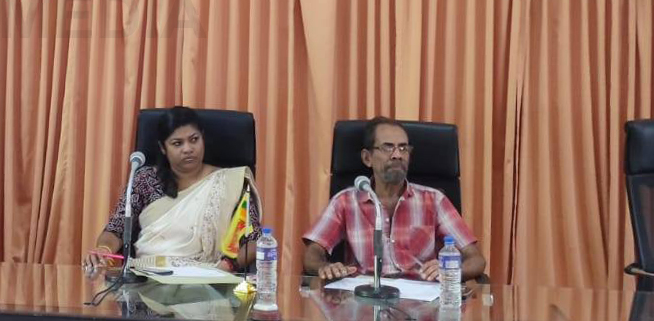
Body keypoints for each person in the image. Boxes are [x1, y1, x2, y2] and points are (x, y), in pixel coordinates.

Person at [302, 117, 486, 282]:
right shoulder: (345, 201)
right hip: (364, 297)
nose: (397, 155)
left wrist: (452, 271)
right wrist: (324, 267)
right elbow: (312, 253)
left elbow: (476, 259)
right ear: (367, 158)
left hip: (420, 300)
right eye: (388, 147)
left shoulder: (434, 200)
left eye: (403, 148)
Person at [82, 106, 263, 272]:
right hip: (147, 278)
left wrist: (229, 264)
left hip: (208, 280)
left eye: (194, 140)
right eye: (177, 143)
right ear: (163, 148)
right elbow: (116, 229)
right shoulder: (145, 180)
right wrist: (104, 250)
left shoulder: (231, 182)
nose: (188, 149)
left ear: (203, 138)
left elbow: (253, 239)